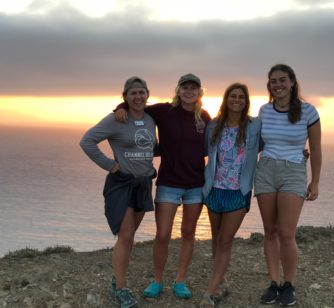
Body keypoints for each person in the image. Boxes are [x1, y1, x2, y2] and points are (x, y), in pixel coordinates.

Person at [114, 74, 211, 299]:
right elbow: (138, 105)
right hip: (168, 183)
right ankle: (157, 280)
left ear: (199, 92)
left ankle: (180, 280)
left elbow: (212, 146)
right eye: (185, 87)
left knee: (188, 233)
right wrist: (120, 107)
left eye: (193, 88)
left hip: (196, 184)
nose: (189, 91)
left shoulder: (204, 117)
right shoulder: (164, 111)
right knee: (163, 234)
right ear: (178, 90)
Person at [80, 77, 157, 308]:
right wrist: (111, 166)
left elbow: (152, 146)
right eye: (133, 93)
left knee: (130, 235)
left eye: (142, 92)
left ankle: (118, 280)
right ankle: (121, 289)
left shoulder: (151, 118)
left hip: (143, 184)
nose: (138, 97)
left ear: (147, 94)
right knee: (125, 235)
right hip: (122, 184)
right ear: (125, 96)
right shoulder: (116, 119)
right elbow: (87, 142)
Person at [254, 64, 322, 306]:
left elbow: (315, 148)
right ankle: (273, 282)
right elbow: (257, 144)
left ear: (292, 81)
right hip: (266, 170)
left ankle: (289, 284)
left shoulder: (308, 111)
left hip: (293, 171)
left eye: (282, 80)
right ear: (269, 85)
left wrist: (315, 181)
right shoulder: (264, 111)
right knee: (269, 231)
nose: (278, 85)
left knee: (286, 233)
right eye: (273, 81)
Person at [199, 83, 261, 307]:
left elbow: (270, 144)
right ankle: (222, 280)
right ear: (226, 99)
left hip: (238, 191)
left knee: (226, 240)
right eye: (232, 96)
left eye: (240, 97)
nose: (236, 100)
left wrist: (300, 152)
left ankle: (210, 291)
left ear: (246, 101)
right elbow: (204, 150)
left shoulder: (254, 126)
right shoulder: (214, 125)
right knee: (216, 238)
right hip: (214, 190)